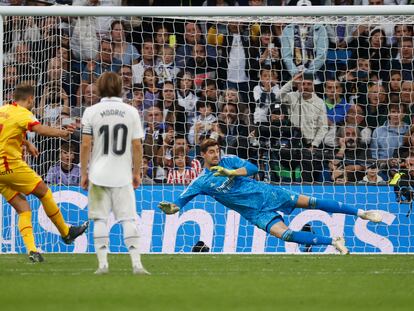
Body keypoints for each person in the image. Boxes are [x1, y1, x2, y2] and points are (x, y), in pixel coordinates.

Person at [158, 139, 383, 255]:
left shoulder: (229, 161)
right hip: (254, 212)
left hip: (268, 194)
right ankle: (334, 242)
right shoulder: (201, 181)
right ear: (203, 155)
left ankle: (362, 213)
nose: (216, 154)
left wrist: (231, 172)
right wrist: (172, 208)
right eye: (211, 152)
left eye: (217, 150)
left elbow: (253, 168)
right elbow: (180, 201)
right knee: (286, 235)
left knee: (312, 202)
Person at [0, 83, 88, 263]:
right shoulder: (24, 114)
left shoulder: (4, 110)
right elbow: (40, 129)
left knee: (23, 208)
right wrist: (62, 133)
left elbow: (8, 132)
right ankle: (66, 232)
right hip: (10, 166)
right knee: (45, 192)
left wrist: (26, 143)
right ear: (31, 99)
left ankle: (32, 251)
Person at [80, 72, 149, 275]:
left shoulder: (91, 111)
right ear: (121, 88)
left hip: (99, 175)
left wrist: (84, 172)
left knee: (100, 220)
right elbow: (137, 145)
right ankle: (137, 264)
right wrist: (136, 172)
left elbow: (85, 144)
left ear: (100, 88)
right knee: (128, 219)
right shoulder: (131, 111)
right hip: (122, 175)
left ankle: (103, 265)